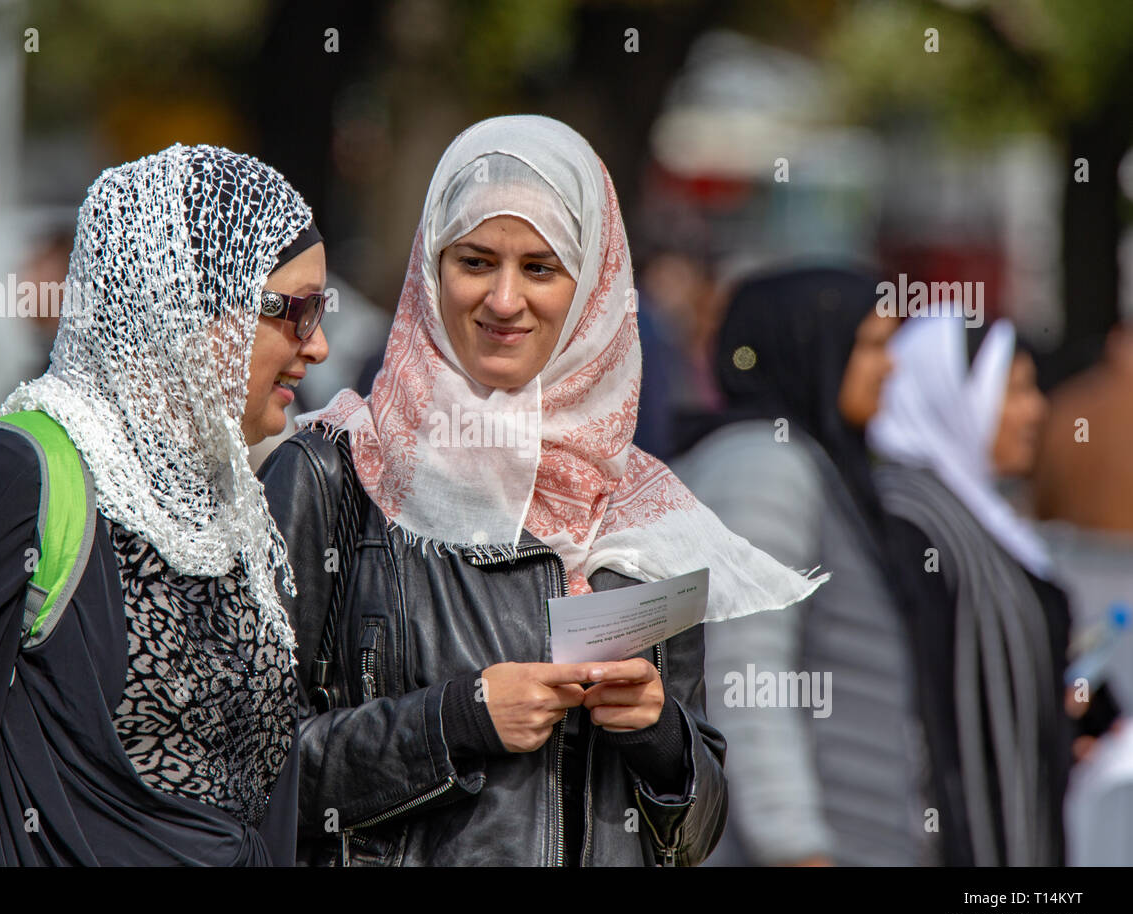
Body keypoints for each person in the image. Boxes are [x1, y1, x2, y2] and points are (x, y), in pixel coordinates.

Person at [258, 114, 824, 867]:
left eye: (540, 268)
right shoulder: (338, 475)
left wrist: (661, 738)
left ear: (590, 285)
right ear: (432, 269)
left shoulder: (638, 507)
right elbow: (254, 773)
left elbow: (692, 839)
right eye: (475, 260)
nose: (502, 299)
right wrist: (456, 721)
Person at [0, 144, 328, 865]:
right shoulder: (7, 480)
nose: (318, 347)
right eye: (297, 311)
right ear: (183, 307)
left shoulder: (236, 512)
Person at [671, 265, 928, 866]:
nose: (890, 366)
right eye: (871, 346)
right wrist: (794, 846)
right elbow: (745, 670)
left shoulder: (818, 465)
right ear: (809, 346)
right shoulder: (765, 464)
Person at [867, 314, 1070, 866]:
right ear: (953, 394)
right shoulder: (911, 521)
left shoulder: (981, 514)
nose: (1037, 410)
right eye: (1016, 389)